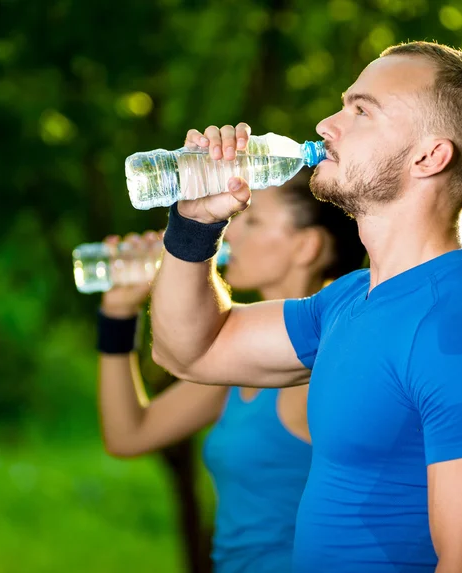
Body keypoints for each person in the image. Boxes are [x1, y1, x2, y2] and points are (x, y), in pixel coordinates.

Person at [150, 41, 462, 573]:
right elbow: (188, 351)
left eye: (361, 111)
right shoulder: (351, 301)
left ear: (429, 156)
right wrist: (195, 224)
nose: (325, 125)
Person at [96, 171, 366, 573]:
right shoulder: (243, 362)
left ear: (306, 246)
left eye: (252, 220)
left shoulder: (331, 360)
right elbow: (127, 435)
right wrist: (118, 314)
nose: (231, 234)